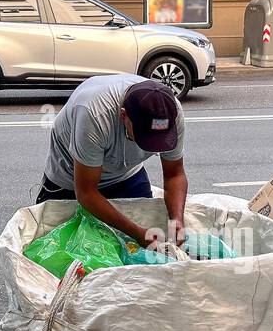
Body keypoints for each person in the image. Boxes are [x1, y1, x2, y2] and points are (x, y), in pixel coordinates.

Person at [38, 74, 188, 248]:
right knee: (65, 249)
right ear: (123, 116)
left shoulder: (170, 111)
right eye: (146, 138)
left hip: (126, 174)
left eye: (159, 139)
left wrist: (177, 221)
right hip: (71, 181)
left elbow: (174, 174)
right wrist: (137, 233)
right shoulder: (95, 114)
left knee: (137, 252)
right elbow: (86, 192)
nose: (152, 148)